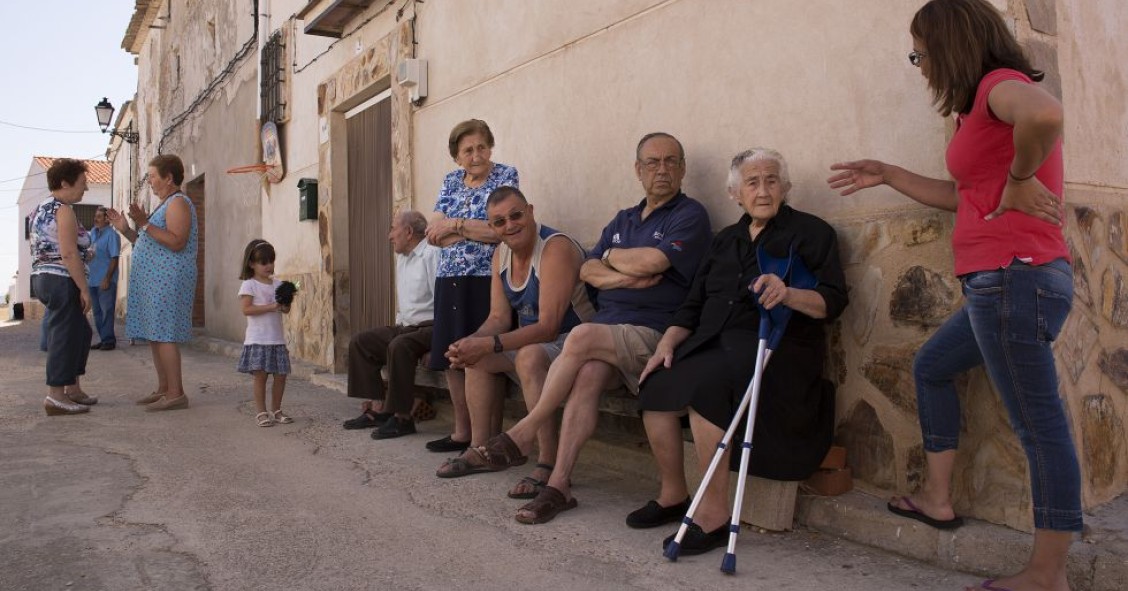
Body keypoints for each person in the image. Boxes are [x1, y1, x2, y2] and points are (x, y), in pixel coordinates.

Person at [827, 1, 1076, 589]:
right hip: (1001, 281)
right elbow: (962, 194)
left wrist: (1018, 182)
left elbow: (1046, 114)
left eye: (922, 51)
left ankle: (1047, 574)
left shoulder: (999, 86)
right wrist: (888, 172)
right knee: (933, 365)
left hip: (1015, 276)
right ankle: (938, 499)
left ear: (951, 43)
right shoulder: (976, 111)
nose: (920, 65)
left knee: (1040, 429)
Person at [480, 132, 712, 524]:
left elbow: (654, 263)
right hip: (608, 337)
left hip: (653, 337)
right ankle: (558, 484)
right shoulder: (623, 219)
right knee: (586, 373)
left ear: (683, 169)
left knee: (582, 337)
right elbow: (587, 268)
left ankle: (525, 430)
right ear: (638, 171)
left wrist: (612, 260)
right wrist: (621, 273)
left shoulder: (689, 215)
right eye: (652, 162)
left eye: (671, 161)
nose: (662, 170)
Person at [635, 148, 848, 555]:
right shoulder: (723, 242)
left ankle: (712, 515)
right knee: (656, 387)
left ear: (785, 188)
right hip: (712, 343)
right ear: (736, 193)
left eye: (771, 180)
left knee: (705, 390)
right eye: (752, 182)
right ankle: (674, 495)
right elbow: (692, 304)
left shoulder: (811, 233)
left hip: (775, 349)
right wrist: (666, 343)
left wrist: (788, 294)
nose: (763, 190)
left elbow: (832, 302)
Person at [435, 186, 595, 501]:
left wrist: (490, 343)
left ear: (531, 211)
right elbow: (497, 317)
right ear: (492, 227)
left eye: (516, 215)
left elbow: (548, 327)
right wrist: (470, 343)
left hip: (577, 342)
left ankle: (547, 462)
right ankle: (483, 448)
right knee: (476, 357)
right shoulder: (501, 254)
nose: (510, 225)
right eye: (499, 222)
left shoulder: (554, 248)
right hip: (537, 342)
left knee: (529, 357)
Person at [425, 119, 519, 453]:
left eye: (481, 147)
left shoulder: (505, 176)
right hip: (450, 278)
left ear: (490, 147)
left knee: (479, 352)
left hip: (488, 279)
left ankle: (488, 435)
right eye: (468, 150)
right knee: (454, 356)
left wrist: (458, 225)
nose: (476, 155)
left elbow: (500, 230)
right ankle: (462, 432)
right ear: (457, 157)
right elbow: (433, 232)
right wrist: (464, 228)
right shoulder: (451, 181)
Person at [107, 154, 198, 412]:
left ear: (169, 178)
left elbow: (177, 240)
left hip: (169, 279)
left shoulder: (178, 202)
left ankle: (176, 392)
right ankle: (164, 388)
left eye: (153, 177)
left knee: (165, 333)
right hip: (156, 281)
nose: (150, 181)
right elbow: (148, 241)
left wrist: (145, 223)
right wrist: (126, 229)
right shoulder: (165, 204)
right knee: (156, 335)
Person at [343, 210, 441, 438]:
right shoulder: (402, 258)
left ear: (408, 232)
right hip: (407, 325)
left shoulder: (431, 254)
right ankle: (380, 409)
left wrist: (437, 344)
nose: (389, 236)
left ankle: (403, 419)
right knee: (361, 342)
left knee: (399, 345)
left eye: (392, 228)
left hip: (432, 326)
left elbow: (444, 301)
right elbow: (405, 302)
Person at [30, 158, 98, 415]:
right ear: (64, 183)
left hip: (44, 277)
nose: (86, 189)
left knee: (80, 332)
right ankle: (56, 396)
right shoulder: (63, 209)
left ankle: (72, 388)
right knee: (65, 335)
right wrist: (84, 288)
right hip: (61, 278)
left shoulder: (41, 209)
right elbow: (68, 253)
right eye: (82, 183)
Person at [237, 240, 293, 427]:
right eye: (264, 262)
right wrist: (272, 306)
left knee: (281, 375)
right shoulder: (249, 285)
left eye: (271, 261)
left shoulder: (278, 284)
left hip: (276, 339)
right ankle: (261, 412)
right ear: (252, 264)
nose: (269, 265)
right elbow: (246, 309)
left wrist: (286, 301)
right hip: (258, 339)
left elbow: (284, 311)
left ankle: (276, 410)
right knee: (260, 376)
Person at [89, 206, 121, 351]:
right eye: (95, 216)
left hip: (105, 280)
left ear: (107, 219)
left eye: (99, 216)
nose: (96, 219)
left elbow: (114, 258)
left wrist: (107, 278)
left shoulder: (112, 235)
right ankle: (103, 339)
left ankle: (109, 340)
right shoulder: (92, 233)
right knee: (97, 312)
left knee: (107, 310)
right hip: (92, 279)